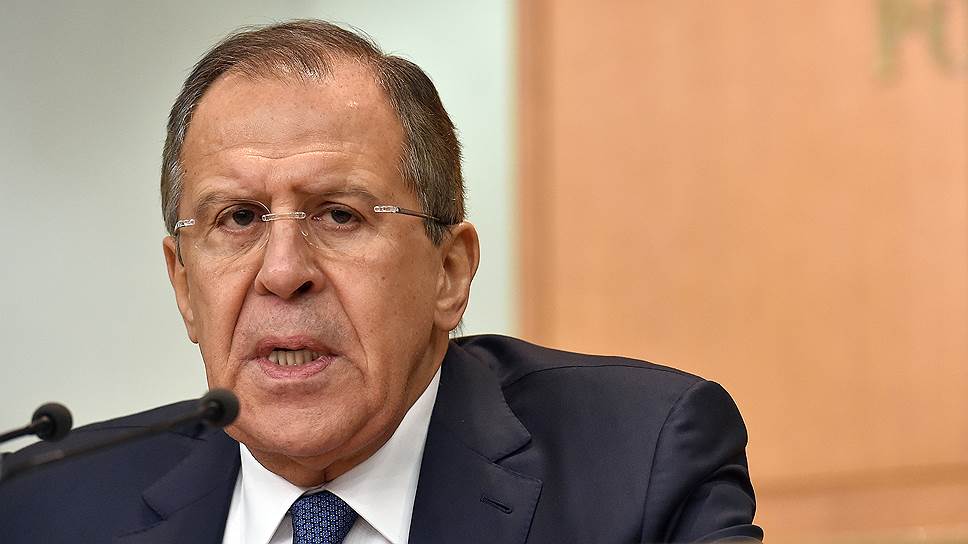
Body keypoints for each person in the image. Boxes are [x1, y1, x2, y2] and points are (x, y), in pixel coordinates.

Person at [0, 20, 762, 543]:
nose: (284, 273)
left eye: (339, 215)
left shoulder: (641, 462)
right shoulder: (42, 503)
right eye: (238, 218)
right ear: (182, 285)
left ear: (449, 272)